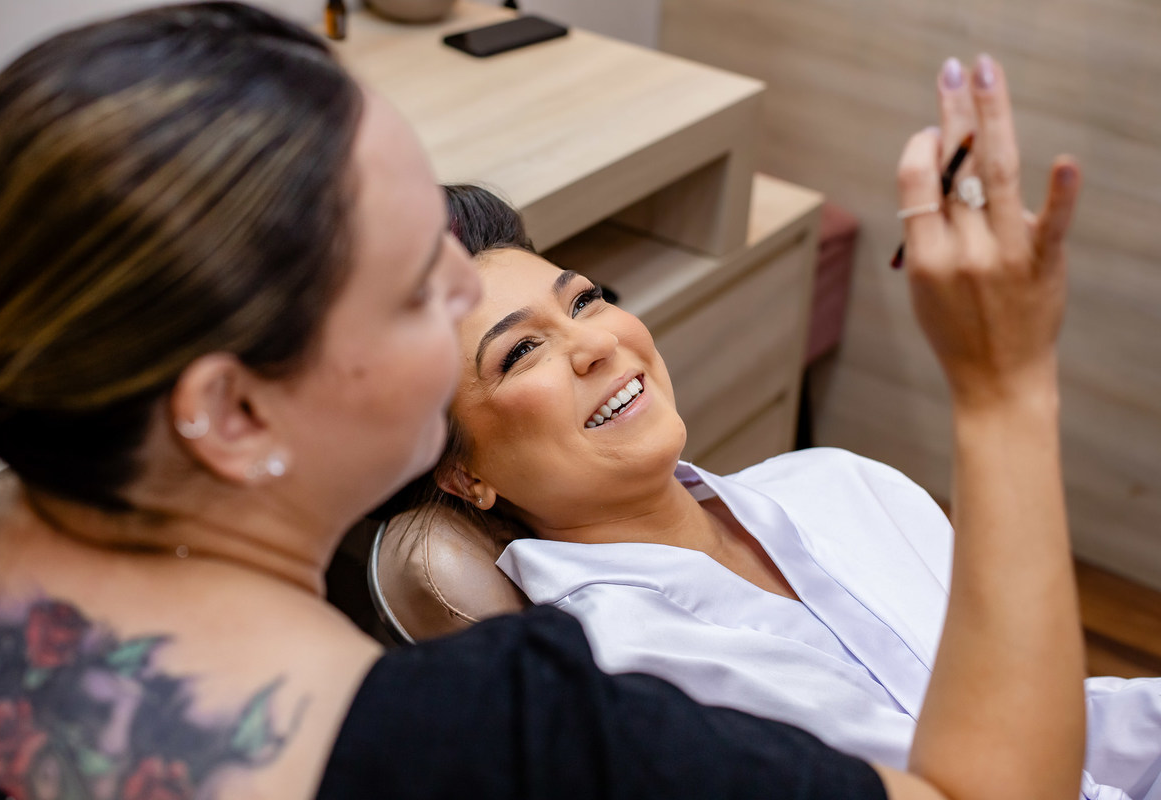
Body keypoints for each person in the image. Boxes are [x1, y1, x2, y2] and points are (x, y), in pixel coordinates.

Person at [0, 2, 1085, 797]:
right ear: (233, 412)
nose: (468, 289)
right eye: (419, 286)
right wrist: (1003, 389)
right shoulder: (515, 738)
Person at [408, 65, 1153, 800]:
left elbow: (1049, 720)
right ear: (464, 474)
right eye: (520, 352)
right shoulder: (624, 682)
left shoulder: (839, 481)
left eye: (584, 300)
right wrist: (1005, 387)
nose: (597, 342)